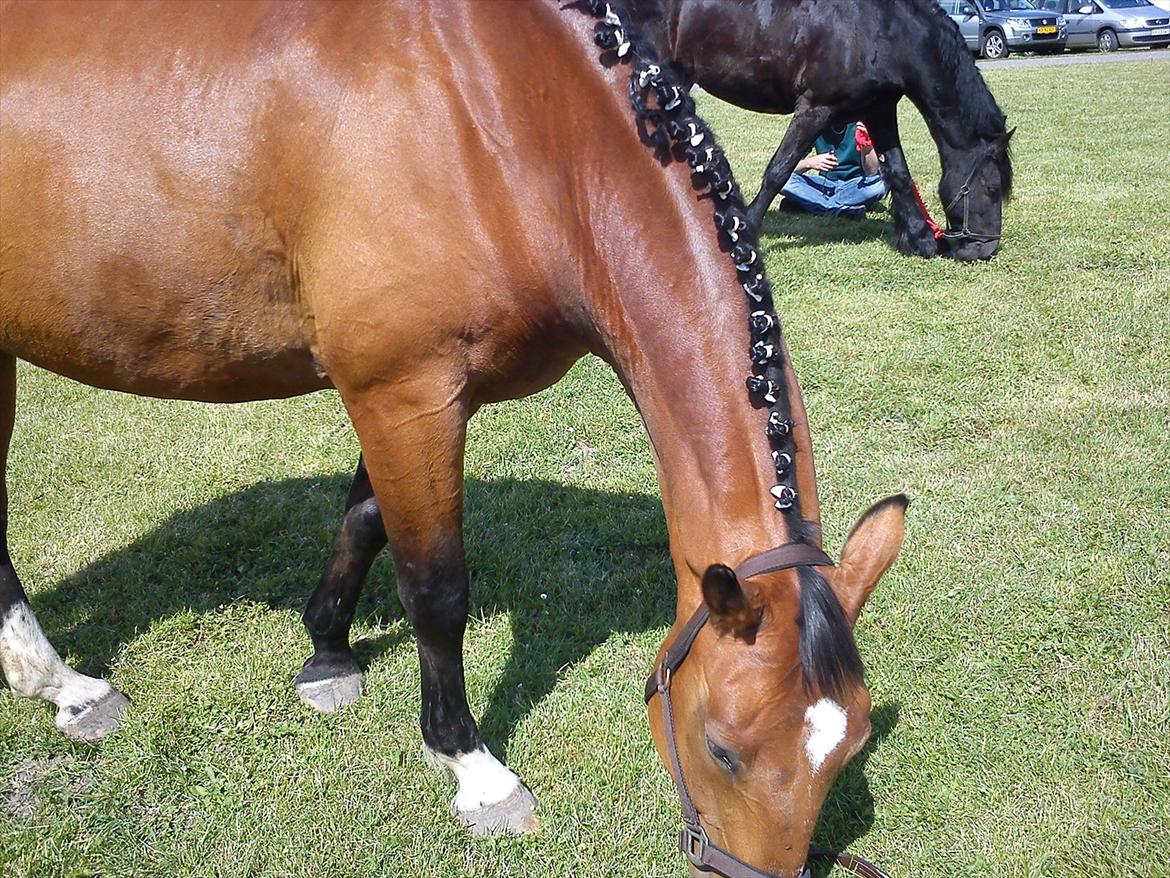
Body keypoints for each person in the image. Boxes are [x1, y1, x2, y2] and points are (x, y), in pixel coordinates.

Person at [779, 121, 888, 220]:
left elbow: (872, 172)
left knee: (880, 185)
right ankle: (840, 210)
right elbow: (785, 168)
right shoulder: (816, 124)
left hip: (856, 186)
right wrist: (810, 163)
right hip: (824, 185)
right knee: (781, 180)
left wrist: (867, 147)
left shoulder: (861, 124)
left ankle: (811, 203)